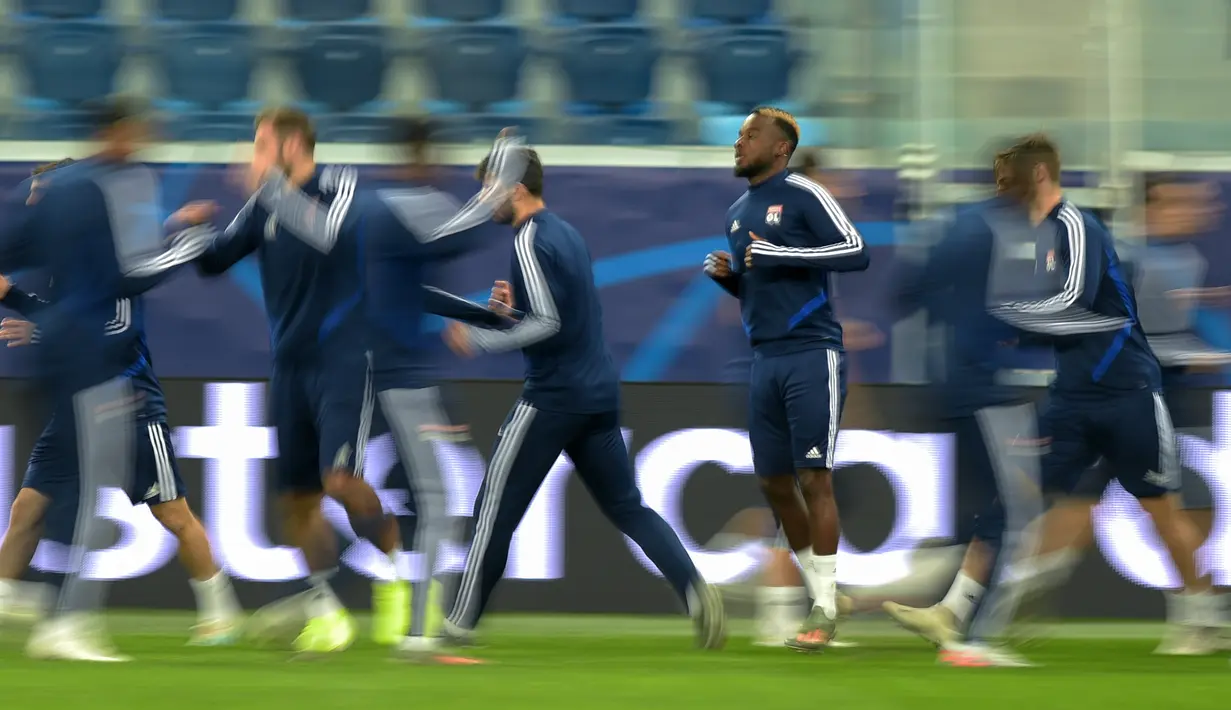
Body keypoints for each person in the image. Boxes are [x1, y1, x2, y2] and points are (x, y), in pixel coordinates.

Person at [251, 117, 527, 662]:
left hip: (370, 369)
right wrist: (507, 165)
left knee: (393, 494)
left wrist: (484, 317)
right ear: (426, 158)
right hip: (396, 374)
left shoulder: (372, 209)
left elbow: (411, 290)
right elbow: (473, 224)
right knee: (430, 499)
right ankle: (414, 633)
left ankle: (346, 603)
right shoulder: (408, 204)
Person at [439, 146, 727, 649]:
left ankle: (457, 624)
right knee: (627, 506)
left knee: (492, 510)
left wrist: (480, 337)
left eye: (489, 188)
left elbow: (548, 324)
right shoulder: (565, 233)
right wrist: (508, 312)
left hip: (553, 397)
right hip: (597, 395)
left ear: (517, 188)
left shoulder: (528, 238)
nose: (484, 200)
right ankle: (695, 589)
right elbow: (559, 315)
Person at [172, 107, 406, 654]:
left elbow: (328, 234)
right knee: (298, 501)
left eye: (260, 145)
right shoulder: (264, 204)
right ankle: (328, 611)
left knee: (340, 480)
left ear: (293, 144)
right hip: (291, 366)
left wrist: (271, 189)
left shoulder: (337, 185)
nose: (252, 158)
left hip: (344, 358)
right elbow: (216, 261)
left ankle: (400, 581)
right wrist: (199, 228)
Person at [975, 134, 1214, 665]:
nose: (1000, 192)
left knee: (1159, 510)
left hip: (1131, 394)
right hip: (1079, 396)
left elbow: (1083, 309)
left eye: (1007, 181)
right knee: (1041, 500)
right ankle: (996, 602)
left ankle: (1200, 613)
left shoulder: (1083, 229)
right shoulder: (1051, 238)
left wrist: (1006, 319)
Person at [0, 97, 218, 661]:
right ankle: (64, 622)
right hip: (99, 370)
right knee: (71, 494)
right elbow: (118, 287)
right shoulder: (107, 190)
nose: (144, 139)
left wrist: (31, 316)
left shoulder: (62, 196)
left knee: (61, 495)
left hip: (87, 368)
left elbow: (94, 298)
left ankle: (47, 609)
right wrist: (187, 245)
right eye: (140, 130)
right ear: (120, 133)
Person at [703, 106, 869, 651]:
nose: (738, 142)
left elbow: (856, 250)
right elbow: (761, 288)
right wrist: (732, 280)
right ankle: (822, 595)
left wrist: (781, 250)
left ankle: (823, 605)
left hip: (811, 352)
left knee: (813, 477)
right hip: (765, 358)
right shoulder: (736, 210)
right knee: (774, 483)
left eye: (750, 135)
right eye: (738, 134)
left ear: (780, 147)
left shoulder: (803, 193)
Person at [877, 191, 1045, 667]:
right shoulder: (1000, 232)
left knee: (987, 513)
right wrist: (995, 341)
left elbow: (903, 294)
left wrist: (952, 328)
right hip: (984, 390)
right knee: (1014, 512)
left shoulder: (956, 222)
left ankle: (951, 615)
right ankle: (973, 640)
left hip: (947, 387)